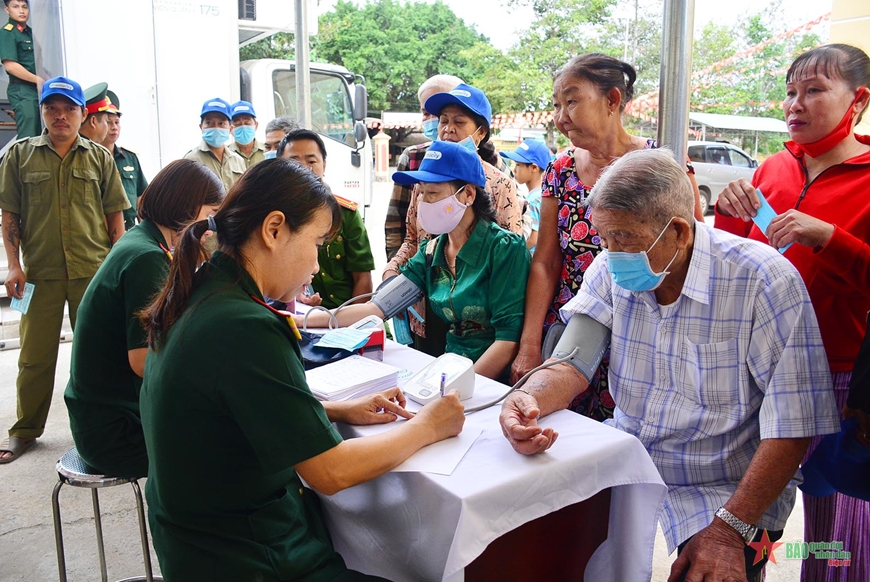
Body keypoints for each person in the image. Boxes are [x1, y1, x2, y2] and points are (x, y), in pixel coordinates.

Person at [499, 148, 840, 582]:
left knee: (713, 570)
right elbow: (571, 363)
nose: (609, 251)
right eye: (605, 237)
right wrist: (526, 398)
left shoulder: (764, 280)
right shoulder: (610, 269)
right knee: (549, 547)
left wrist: (728, 531)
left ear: (679, 232)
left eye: (623, 238)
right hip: (634, 460)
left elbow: (792, 425)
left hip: (729, 485)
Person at [138, 158, 465, 579]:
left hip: (197, 544)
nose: (315, 266)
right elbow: (331, 471)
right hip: (246, 558)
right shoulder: (245, 325)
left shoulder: (203, 292)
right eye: (315, 243)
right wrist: (429, 426)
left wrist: (334, 411)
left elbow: (229, 408)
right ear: (274, 230)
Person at [714, 43, 870, 582]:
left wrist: (831, 239)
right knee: (752, 516)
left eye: (814, 91)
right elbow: (734, 265)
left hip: (842, 380)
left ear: (859, 100)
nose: (795, 104)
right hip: (764, 374)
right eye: (789, 92)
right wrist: (728, 215)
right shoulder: (773, 168)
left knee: (837, 530)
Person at [510, 53, 704, 421]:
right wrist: (530, 344)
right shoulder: (559, 170)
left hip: (645, 331)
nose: (561, 116)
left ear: (612, 101)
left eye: (571, 101)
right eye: (556, 105)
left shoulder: (665, 163)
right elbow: (547, 262)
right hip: (572, 331)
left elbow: (692, 249)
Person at [304, 141, 530, 381]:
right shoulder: (432, 251)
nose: (423, 203)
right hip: (450, 370)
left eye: (433, 193)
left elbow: (507, 341)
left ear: (468, 195)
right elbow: (376, 308)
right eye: (420, 192)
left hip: (492, 382)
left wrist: (456, 389)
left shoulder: (504, 249)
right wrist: (299, 320)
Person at [64, 160, 224, 478]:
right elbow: (143, 361)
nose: (209, 230)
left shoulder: (145, 241)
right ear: (189, 206)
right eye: (210, 216)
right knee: (235, 441)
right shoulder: (147, 258)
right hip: (118, 434)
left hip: (104, 420)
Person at [0, 76, 129, 463]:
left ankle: (98, 431)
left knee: (95, 356)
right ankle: (25, 430)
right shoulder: (19, 155)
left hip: (92, 272)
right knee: (34, 357)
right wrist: (13, 266)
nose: (60, 116)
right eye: (52, 109)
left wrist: (116, 269)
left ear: (81, 113)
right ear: (41, 112)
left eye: (69, 109)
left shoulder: (100, 157)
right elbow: (10, 216)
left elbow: (115, 220)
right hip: (37, 275)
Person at [384, 82, 522, 357]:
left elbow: (509, 255)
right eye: (443, 121)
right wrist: (393, 272)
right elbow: (411, 237)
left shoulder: (499, 183)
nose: (448, 129)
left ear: (480, 132)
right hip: (427, 299)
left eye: (459, 122)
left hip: (481, 320)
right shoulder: (422, 171)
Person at [278, 128, 374, 308]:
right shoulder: (274, 218)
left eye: (311, 161)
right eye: (294, 161)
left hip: (346, 315)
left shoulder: (346, 214)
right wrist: (295, 297)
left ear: (324, 165)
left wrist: (345, 323)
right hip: (296, 315)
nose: (303, 168)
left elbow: (363, 278)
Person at [384, 74, 464, 260]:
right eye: (425, 113)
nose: (431, 120)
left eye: (436, 112)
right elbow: (396, 222)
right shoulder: (413, 158)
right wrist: (397, 269)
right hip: (420, 269)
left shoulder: (491, 166)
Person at [101, 90, 149, 230]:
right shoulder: (91, 158)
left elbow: (141, 199)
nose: (114, 127)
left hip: (130, 230)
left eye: (117, 122)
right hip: (103, 233)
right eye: (108, 122)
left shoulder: (129, 157)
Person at [183, 97, 246, 192]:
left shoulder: (238, 160)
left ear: (230, 129)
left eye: (221, 123)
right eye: (209, 123)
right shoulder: (191, 160)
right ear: (201, 127)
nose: (216, 127)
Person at [0, 0, 43, 138]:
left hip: (35, 89)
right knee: (28, 137)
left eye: (24, 7)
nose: (21, 11)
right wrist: (38, 80)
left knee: (40, 134)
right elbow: (10, 66)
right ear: (7, 10)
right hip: (22, 90)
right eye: (16, 7)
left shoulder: (29, 32)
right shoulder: (7, 32)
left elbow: (37, 65)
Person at [499, 139, 551, 253]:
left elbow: (533, 238)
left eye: (518, 165)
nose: (514, 169)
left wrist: (510, 255)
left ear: (534, 168)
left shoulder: (534, 200)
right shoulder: (538, 195)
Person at [227, 100, 266, 167]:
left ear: (256, 125)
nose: (243, 127)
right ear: (230, 129)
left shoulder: (267, 151)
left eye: (247, 123)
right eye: (237, 124)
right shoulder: (226, 154)